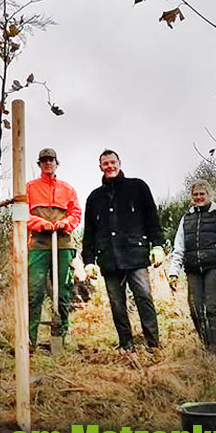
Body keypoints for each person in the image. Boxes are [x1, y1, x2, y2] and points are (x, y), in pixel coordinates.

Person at [82, 149, 163, 351]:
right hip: (109, 259)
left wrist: (158, 245)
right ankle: (126, 344)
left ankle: (153, 344)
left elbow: (152, 218)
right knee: (117, 304)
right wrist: (89, 260)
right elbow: (89, 231)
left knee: (144, 297)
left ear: (119, 163)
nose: (109, 166)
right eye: (105, 163)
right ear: (100, 167)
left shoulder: (138, 187)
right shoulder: (94, 198)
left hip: (135, 256)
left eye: (112, 162)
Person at [167, 181, 216, 357]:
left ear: (208, 195)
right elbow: (179, 247)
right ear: (191, 197)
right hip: (193, 269)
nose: (198, 197)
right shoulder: (186, 218)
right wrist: (173, 272)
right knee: (195, 309)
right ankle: (207, 346)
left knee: (212, 308)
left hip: (214, 267)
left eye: (201, 194)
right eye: (195, 194)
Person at [26, 148, 81, 348]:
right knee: (34, 292)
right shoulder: (30, 188)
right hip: (39, 245)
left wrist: (65, 223)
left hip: (63, 244)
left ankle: (60, 337)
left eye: (51, 160)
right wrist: (40, 223)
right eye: (44, 160)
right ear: (39, 164)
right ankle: (30, 340)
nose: (48, 163)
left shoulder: (67, 189)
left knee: (63, 292)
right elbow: (24, 214)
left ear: (57, 163)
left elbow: (76, 213)